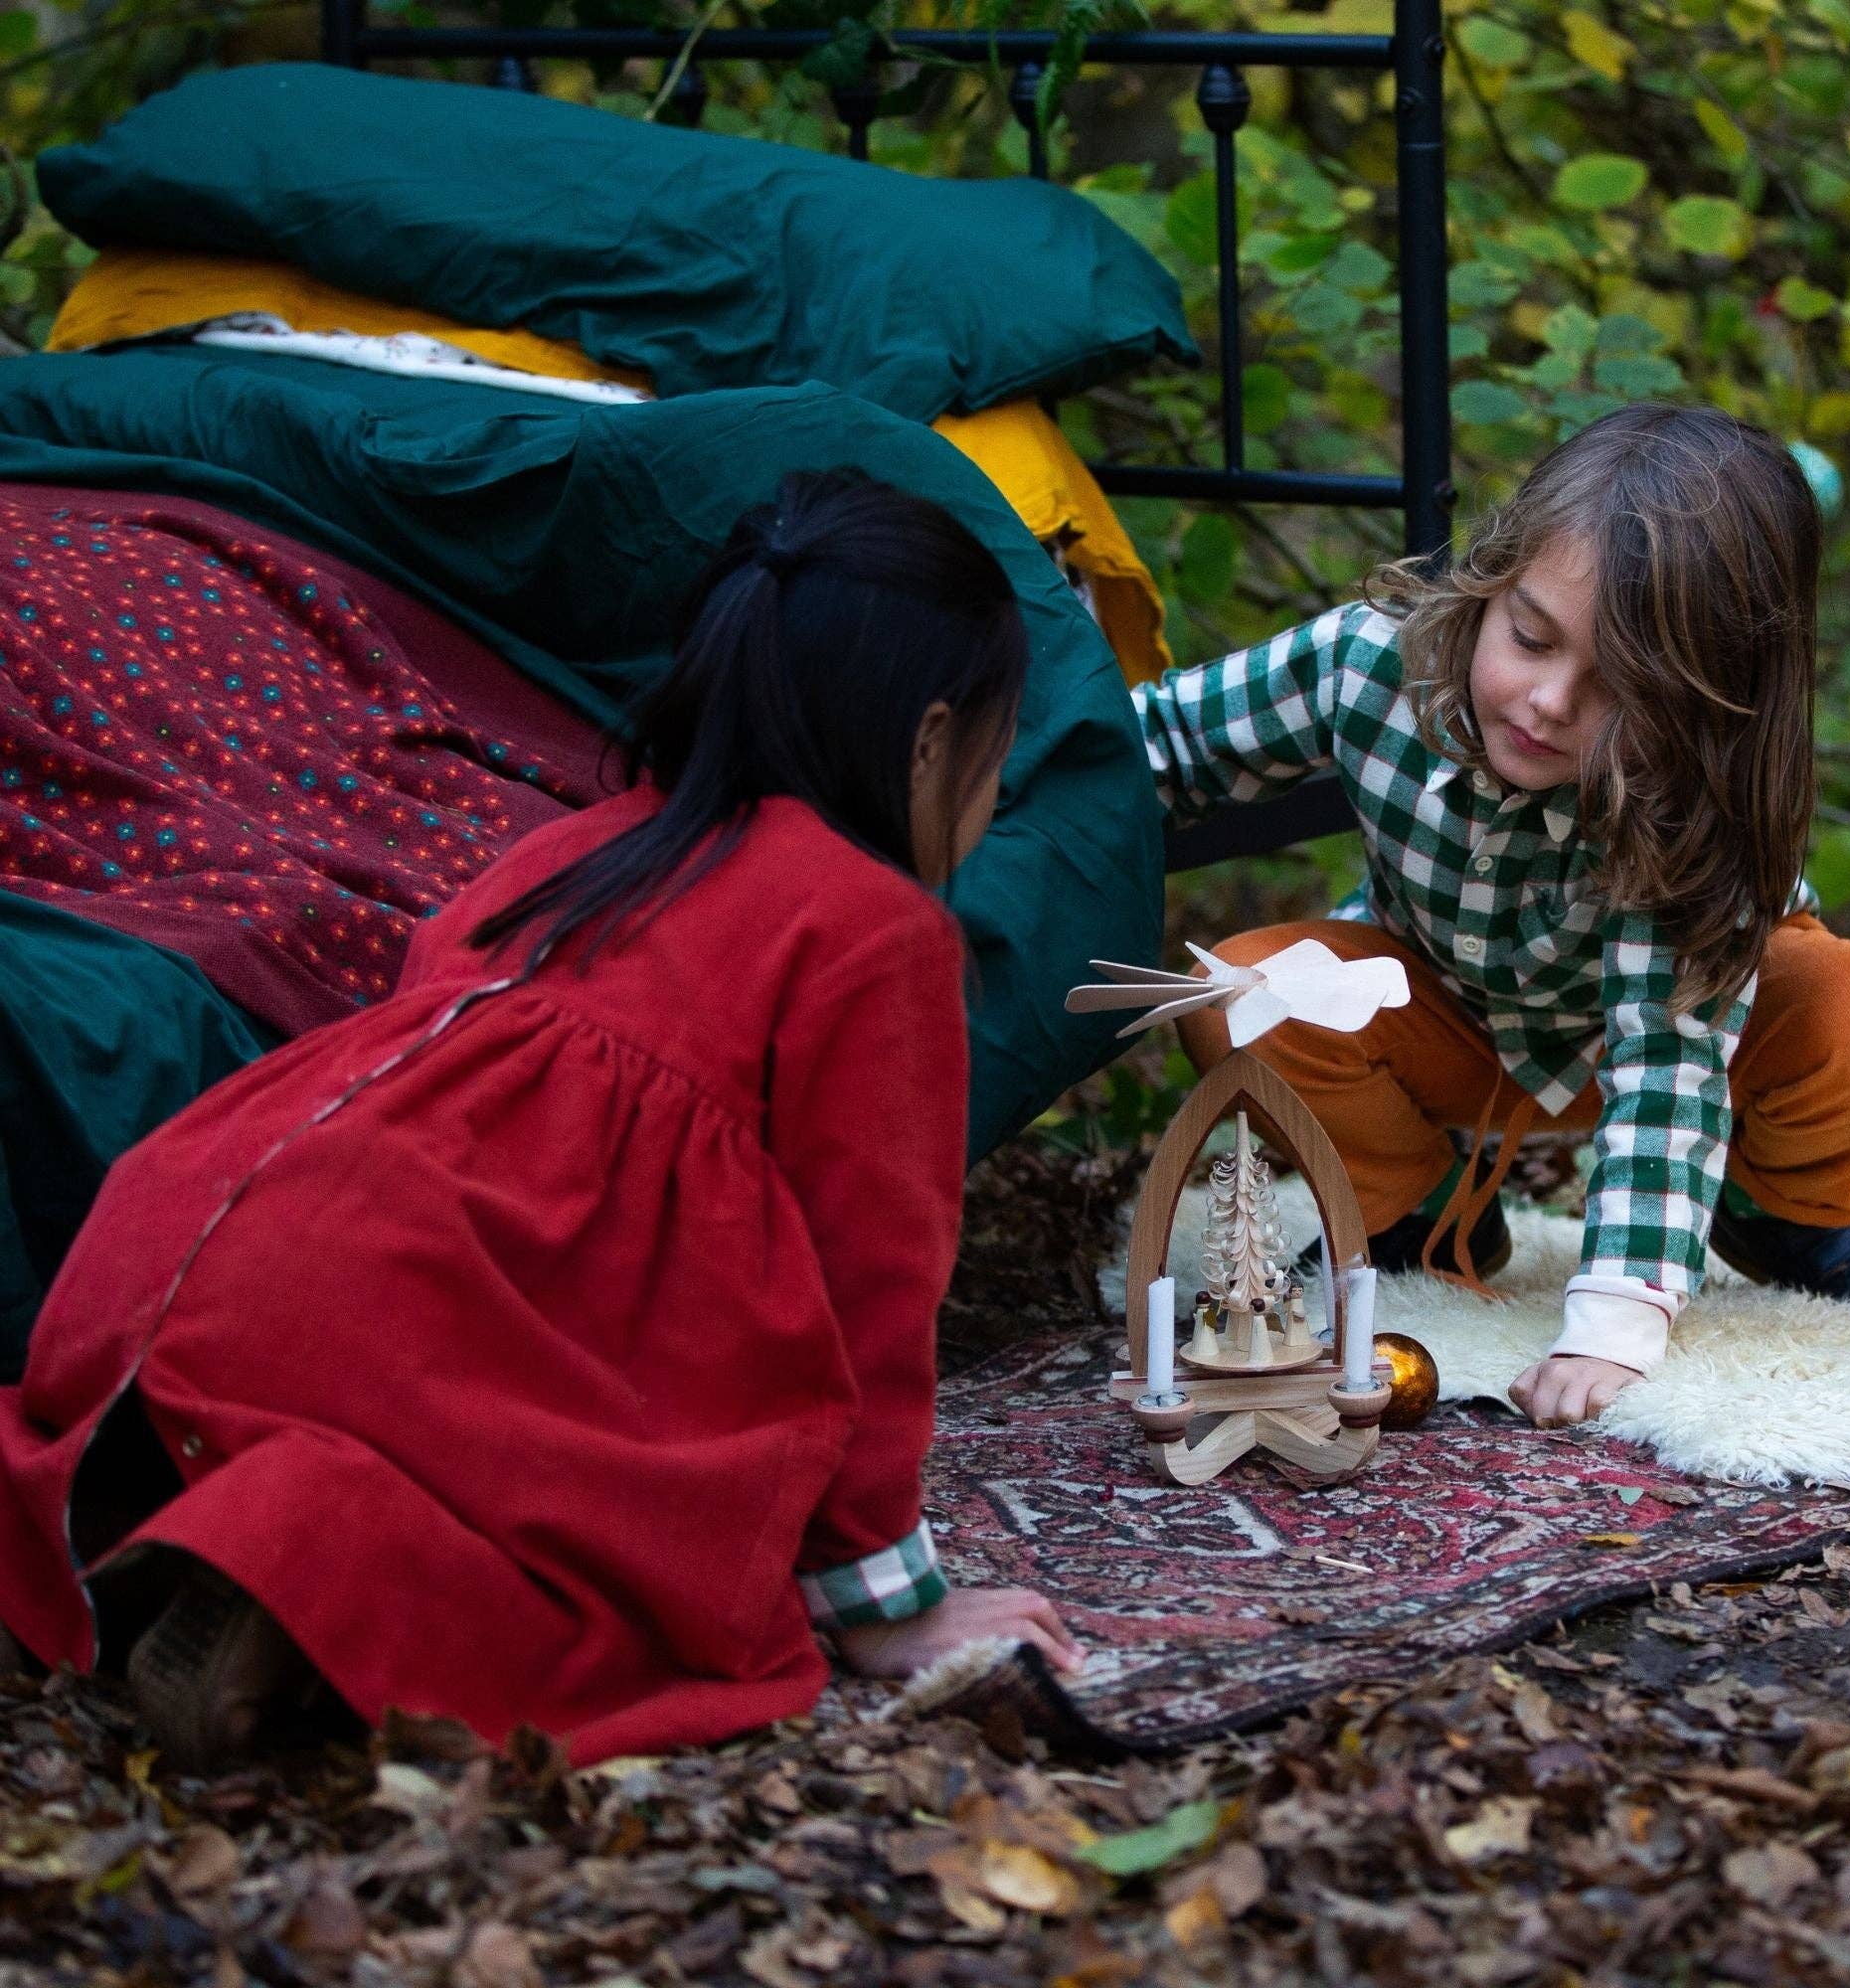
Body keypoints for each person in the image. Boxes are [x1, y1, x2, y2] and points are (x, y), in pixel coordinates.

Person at [0, 468, 1081, 1767]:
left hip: (195, 1244)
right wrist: (883, 1605)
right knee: (601, 1545)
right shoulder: (874, 932)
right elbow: (875, 1284)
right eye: (994, 762)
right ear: (928, 742)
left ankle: (151, 1512)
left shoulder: (567, 850)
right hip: (425, 1314)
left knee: (316, 1403)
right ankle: (300, 1568)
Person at [1141, 406, 1850, 1429]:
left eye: (1618, 685)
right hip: (1448, 1012)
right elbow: (1159, 740)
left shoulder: (1692, 803)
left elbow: (1666, 1064)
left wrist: (1614, 1321)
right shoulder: (1365, 664)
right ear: (1488, 582)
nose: (1545, 700)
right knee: (1246, 990)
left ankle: (1778, 1215)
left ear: (1707, 702)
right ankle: (1427, 1214)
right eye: (1528, 636)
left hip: (1685, 1044)